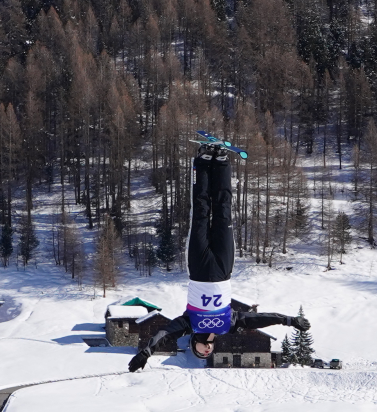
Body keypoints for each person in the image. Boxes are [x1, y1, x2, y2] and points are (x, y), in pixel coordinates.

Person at [129, 143, 308, 371]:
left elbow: (164, 332)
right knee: (223, 213)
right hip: (224, 269)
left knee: (201, 214)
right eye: (209, 352)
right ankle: (222, 163)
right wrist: (288, 320)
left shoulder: (189, 324)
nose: (207, 351)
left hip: (199, 268)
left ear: (194, 343)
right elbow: (257, 318)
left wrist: (148, 350)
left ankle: (203, 161)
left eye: (201, 351)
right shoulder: (228, 326)